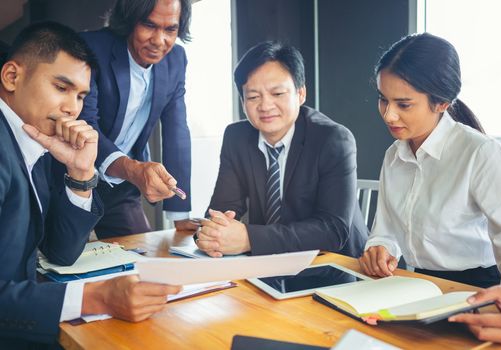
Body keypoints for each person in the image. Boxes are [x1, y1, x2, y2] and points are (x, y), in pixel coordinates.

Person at [0, 22, 180, 348]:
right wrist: (96, 298)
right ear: (12, 77)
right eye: (61, 87)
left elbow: (60, 252)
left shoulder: (32, 141)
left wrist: (81, 173)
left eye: (81, 95)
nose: (73, 108)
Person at [358, 33, 501, 343]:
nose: (388, 114)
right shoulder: (394, 156)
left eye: (403, 104)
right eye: (383, 99)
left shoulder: (479, 153)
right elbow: (386, 231)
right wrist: (380, 249)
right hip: (413, 287)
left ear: (442, 103)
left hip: (476, 292)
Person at [195, 41, 368, 258]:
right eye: (253, 97)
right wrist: (212, 233)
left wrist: (249, 238)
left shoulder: (333, 139)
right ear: (242, 101)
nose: (265, 106)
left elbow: (332, 230)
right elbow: (221, 210)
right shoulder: (236, 138)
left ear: (301, 93)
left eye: (277, 94)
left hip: (335, 268)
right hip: (271, 266)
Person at [79, 0, 198, 238]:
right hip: (72, 175)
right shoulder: (91, 48)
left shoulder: (176, 59)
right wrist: (133, 170)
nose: (159, 40)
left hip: (121, 185)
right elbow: (85, 122)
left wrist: (179, 215)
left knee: (142, 261)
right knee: (60, 258)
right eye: (149, 25)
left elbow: (177, 132)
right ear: (129, 21)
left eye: (170, 29)